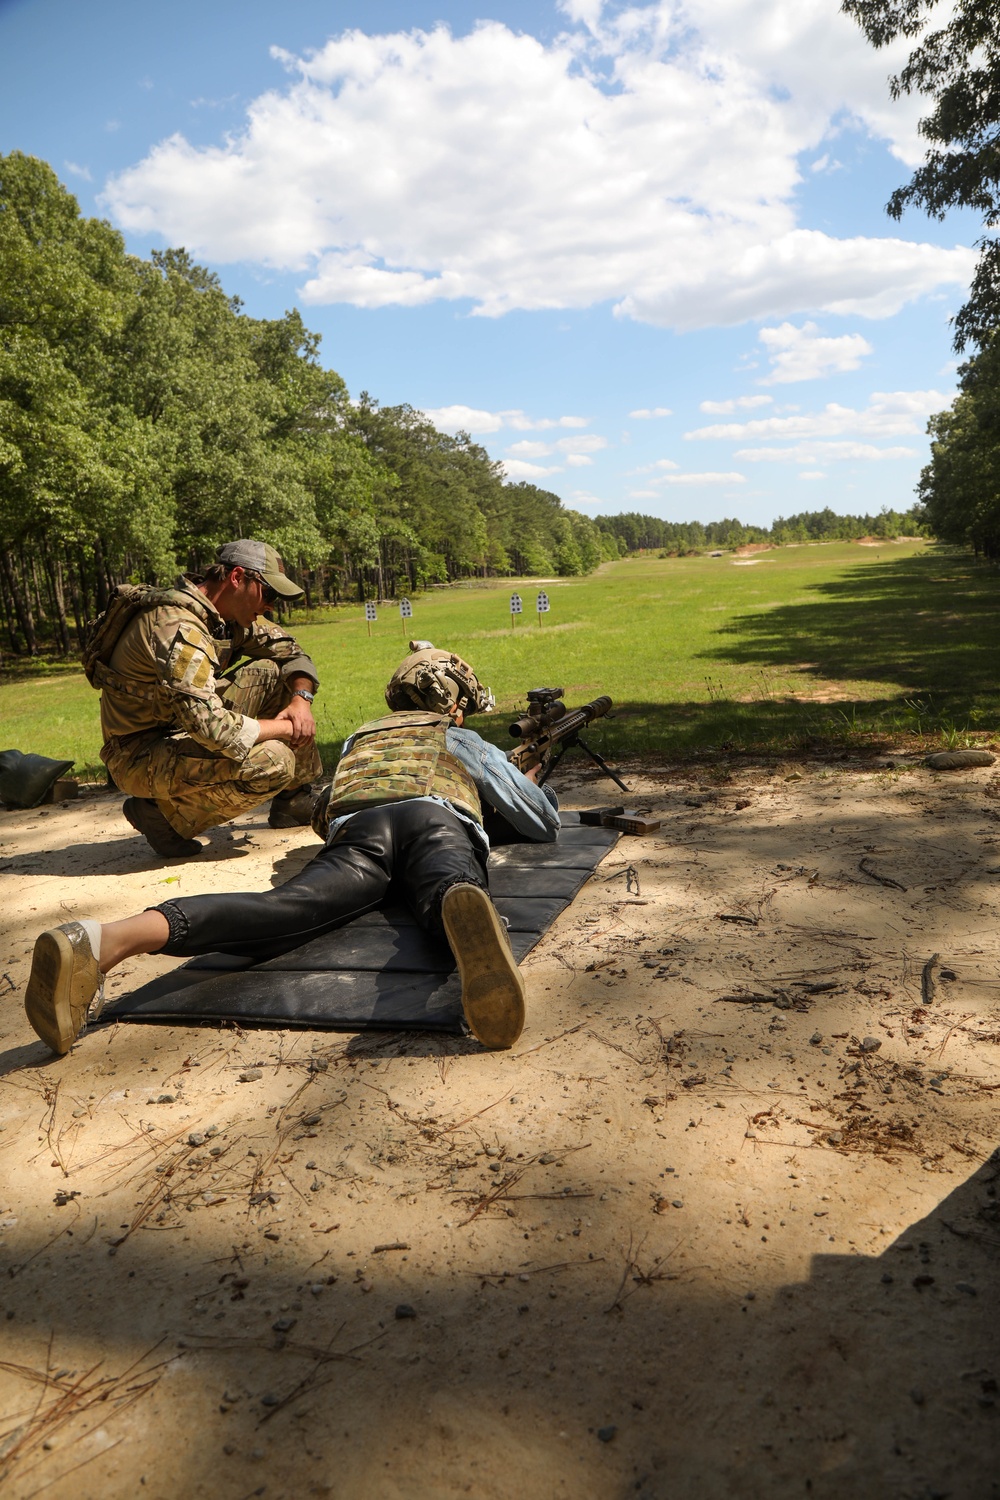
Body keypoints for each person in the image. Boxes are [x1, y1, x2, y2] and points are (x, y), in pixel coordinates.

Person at [25, 643, 559, 1054]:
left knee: (281, 909)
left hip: (360, 830)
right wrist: (533, 782)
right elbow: (539, 821)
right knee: (446, 881)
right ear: (455, 704)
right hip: (434, 819)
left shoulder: (361, 739)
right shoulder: (457, 736)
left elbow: (327, 811)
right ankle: (459, 910)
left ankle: (105, 940)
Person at [92, 539, 323, 859]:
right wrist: (287, 729)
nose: (271, 606)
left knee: (274, 672)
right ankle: (165, 819)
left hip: (179, 726)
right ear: (237, 577)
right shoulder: (179, 626)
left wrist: (300, 701)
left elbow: (291, 651)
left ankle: (293, 801)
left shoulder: (222, 617)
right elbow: (214, 729)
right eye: (268, 594)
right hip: (138, 754)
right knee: (275, 760)